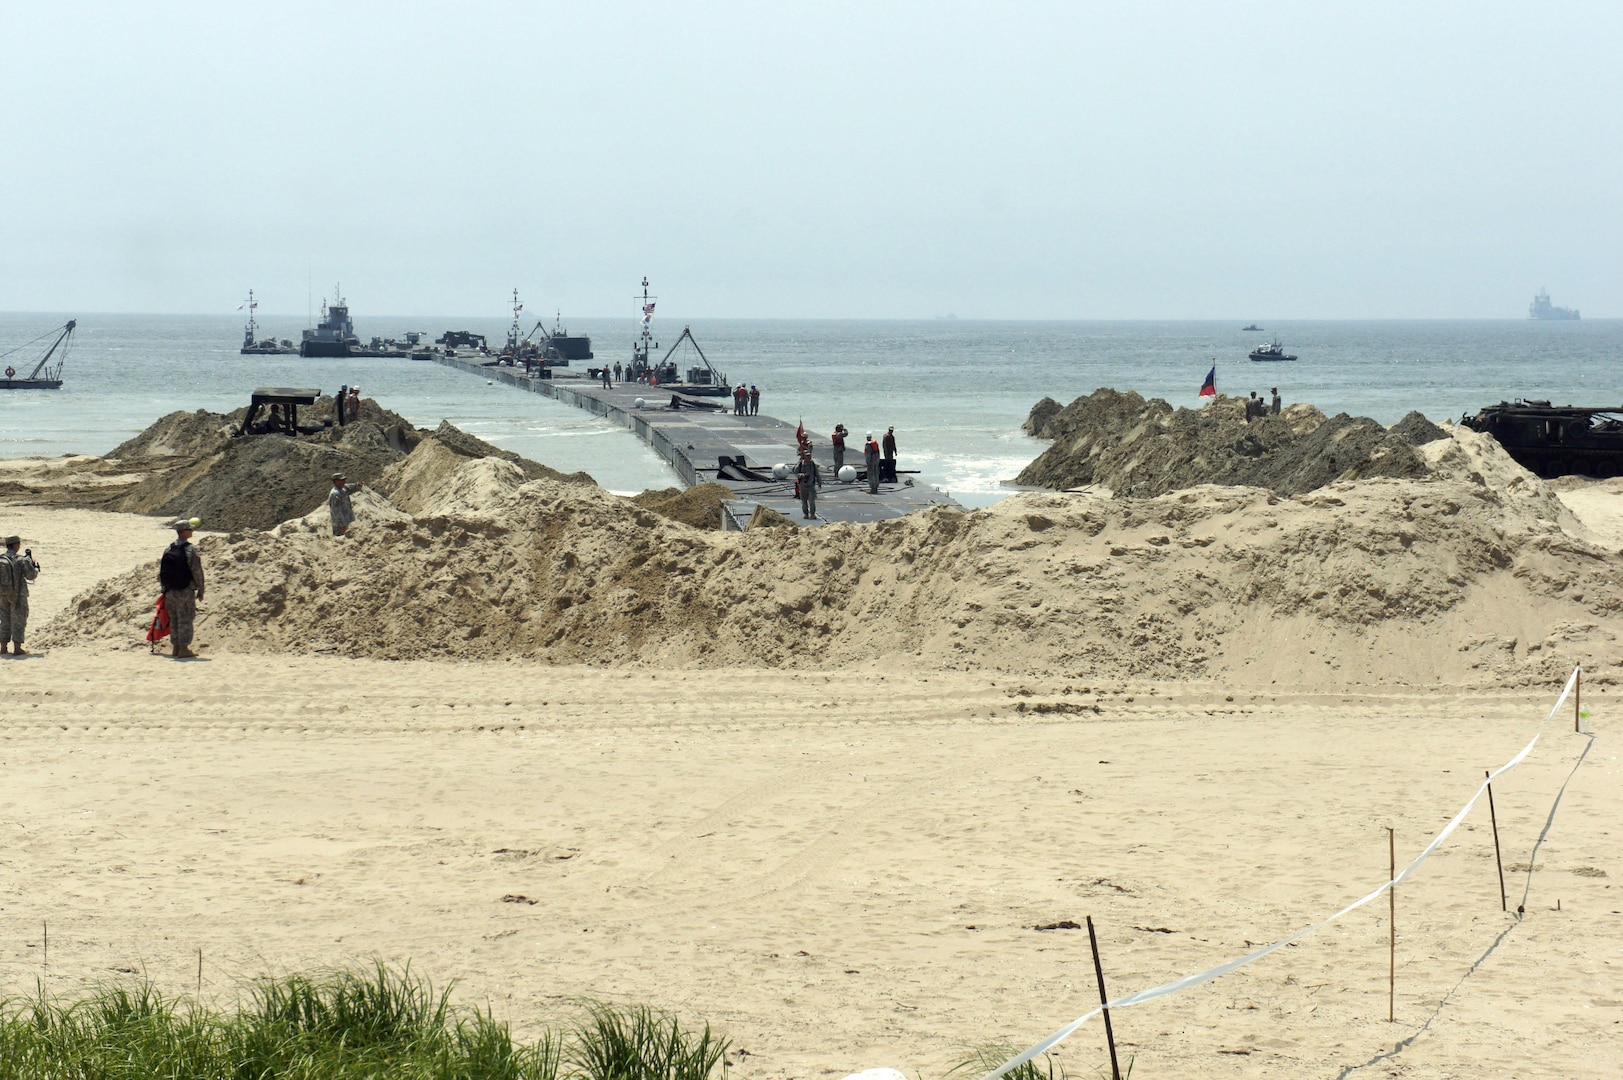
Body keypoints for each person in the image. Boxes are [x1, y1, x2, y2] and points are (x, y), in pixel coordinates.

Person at [158, 520, 205, 659]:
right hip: (185, 590)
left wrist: (164, 589)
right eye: (190, 529)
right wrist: (201, 589)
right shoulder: (190, 550)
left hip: (170, 591)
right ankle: (184, 648)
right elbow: (197, 571)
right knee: (186, 618)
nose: (192, 531)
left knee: (174, 618)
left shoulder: (169, 549)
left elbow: (162, 572)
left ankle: (176, 647)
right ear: (184, 531)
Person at [0, 535, 40, 655]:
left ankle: (3, 647)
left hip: (2, 594)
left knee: (4, 619)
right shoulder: (21, 560)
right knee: (19, 619)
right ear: (16, 545)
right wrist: (35, 567)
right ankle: (17, 648)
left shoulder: (1, 559)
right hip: (17, 595)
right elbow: (31, 576)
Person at [328, 472, 364, 536]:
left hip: (347, 521)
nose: (344, 482)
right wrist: (342, 525)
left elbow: (352, 487)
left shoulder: (343, 488)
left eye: (344, 480)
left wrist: (358, 484)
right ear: (336, 481)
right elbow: (336, 512)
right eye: (342, 480)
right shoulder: (335, 494)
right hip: (340, 525)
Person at [795, 451, 822, 519]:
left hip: (811, 486)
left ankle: (812, 514)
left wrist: (819, 483)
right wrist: (801, 475)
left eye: (809, 456)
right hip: (802, 486)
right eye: (807, 456)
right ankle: (806, 514)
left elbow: (817, 474)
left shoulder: (812, 464)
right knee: (804, 501)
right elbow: (795, 472)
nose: (809, 457)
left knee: (811, 501)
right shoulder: (800, 464)